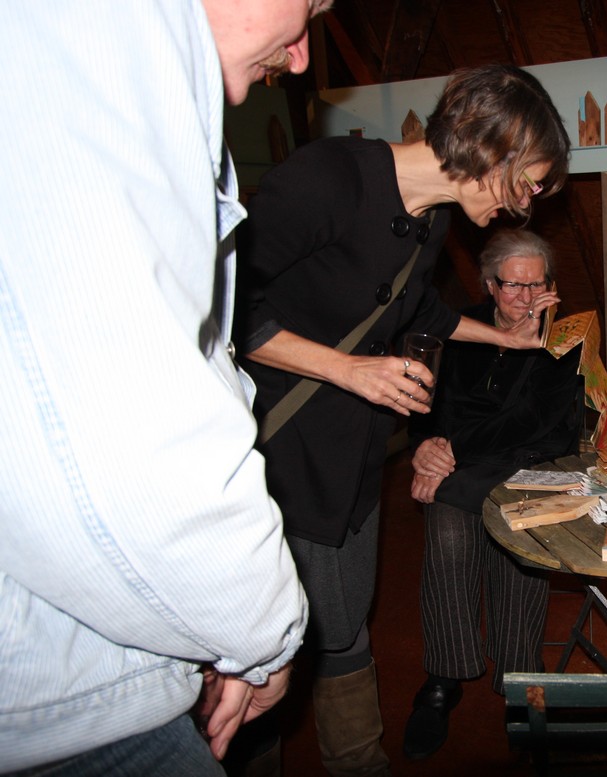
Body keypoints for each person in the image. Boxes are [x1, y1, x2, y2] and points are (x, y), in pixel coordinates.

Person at [0, 0, 332, 774]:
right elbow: (123, 445)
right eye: (312, 4)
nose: (303, 56)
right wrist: (259, 633)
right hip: (57, 706)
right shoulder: (92, 47)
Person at [233, 65, 571, 775]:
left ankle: (357, 759)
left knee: (342, 621)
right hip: (277, 456)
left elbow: (420, 312)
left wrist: (505, 339)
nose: (524, 205)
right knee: (261, 643)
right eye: (528, 182)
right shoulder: (330, 176)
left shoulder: (432, 219)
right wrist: (348, 369)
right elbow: (225, 307)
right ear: (494, 148)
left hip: (350, 456)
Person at [402, 229, 583, 761]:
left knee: (516, 532)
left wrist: (451, 448)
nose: (525, 297)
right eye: (513, 286)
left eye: (537, 285)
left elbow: (533, 421)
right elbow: (428, 400)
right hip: (463, 463)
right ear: (488, 284)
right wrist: (424, 447)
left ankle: (520, 676)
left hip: (533, 461)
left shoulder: (565, 338)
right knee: (447, 523)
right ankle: (445, 675)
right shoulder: (462, 327)